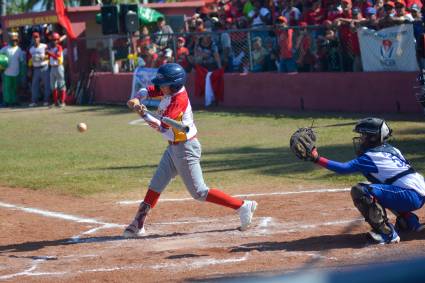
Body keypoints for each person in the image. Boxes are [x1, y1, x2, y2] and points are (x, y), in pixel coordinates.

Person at [123, 63, 257, 238]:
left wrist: (143, 114)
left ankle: (243, 206)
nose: (161, 87)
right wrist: (138, 97)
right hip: (173, 148)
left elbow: (161, 127)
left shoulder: (178, 101)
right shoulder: (168, 90)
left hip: (186, 149)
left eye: (165, 84)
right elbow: (151, 89)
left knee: (200, 192)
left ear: (174, 84)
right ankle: (138, 223)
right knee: (156, 184)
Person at [309, 117, 425, 244]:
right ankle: (409, 222)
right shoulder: (392, 150)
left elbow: (343, 168)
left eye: (364, 135)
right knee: (383, 187)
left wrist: (317, 158)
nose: (361, 138)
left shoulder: (370, 157)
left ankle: (387, 233)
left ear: (373, 138)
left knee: (361, 191)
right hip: (417, 193)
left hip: (409, 196)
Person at [0, 32, 24, 107]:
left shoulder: (19, 50)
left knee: (14, 88)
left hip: (16, 72)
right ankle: (6, 101)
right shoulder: (5, 48)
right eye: (13, 40)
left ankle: (14, 101)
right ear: (10, 40)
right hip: (7, 72)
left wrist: (22, 71)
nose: (14, 42)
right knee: (7, 88)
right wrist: (2, 63)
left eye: (16, 40)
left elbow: (21, 61)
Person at [28, 32, 50, 107]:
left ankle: (46, 100)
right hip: (36, 69)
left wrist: (40, 58)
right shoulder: (31, 49)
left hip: (44, 67)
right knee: (34, 85)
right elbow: (30, 60)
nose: (35, 39)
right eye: (34, 37)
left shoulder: (44, 46)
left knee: (46, 84)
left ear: (39, 38)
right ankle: (34, 101)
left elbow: (48, 56)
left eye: (37, 37)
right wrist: (30, 70)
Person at [46, 32, 66, 107]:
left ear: (58, 40)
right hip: (52, 67)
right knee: (53, 86)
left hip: (59, 67)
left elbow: (57, 56)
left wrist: (49, 52)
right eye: (52, 40)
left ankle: (63, 101)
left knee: (61, 84)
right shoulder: (51, 48)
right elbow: (48, 56)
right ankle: (55, 102)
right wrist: (47, 52)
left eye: (55, 40)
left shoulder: (59, 47)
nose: (53, 41)